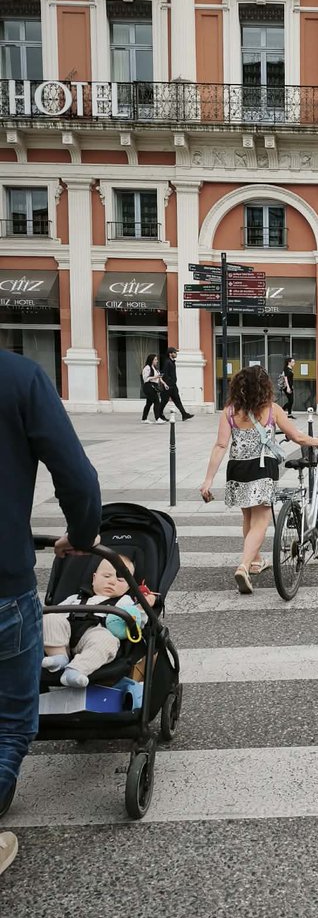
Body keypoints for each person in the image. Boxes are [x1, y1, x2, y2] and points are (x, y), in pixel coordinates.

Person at [0, 349, 102, 878]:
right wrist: (82, 537)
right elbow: (76, 477)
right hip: (3, 582)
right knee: (12, 724)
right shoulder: (19, 377)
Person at [200, 365, 318, 593]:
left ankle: (256, 560)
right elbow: (296, 437)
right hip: (262, 468)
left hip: (236, 469)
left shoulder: (229, 411)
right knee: (261, 520)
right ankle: (244, 566)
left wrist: (208, 480)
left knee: (248, 516)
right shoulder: (272, 409)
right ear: (264, 386)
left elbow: (220, 445)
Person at [41, 556, 148, 688]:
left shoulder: (124, 601)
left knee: (107, 641)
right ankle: (59, 656)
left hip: (95, 633)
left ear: (128, 586)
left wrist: (143, 605)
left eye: (120, 579)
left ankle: (76, 670)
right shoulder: (76, 598)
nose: (112, 582)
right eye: (107, 576)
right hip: (65, 635)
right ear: (94, 578)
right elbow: (56, 613)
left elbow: (138, 620)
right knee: (50, 617)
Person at [160, 347, 193, 421]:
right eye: (174, 352)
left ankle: (184, 414)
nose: (176, 354)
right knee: (164, 401)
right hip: (168, 386)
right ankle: (159, 415)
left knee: (177, 400)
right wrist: (169, 383)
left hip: (173, 386)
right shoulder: (167, 362)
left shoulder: (172, 362)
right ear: (170, 354)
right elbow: (165, 374)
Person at [140, 353, 166, 424]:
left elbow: (159, 378)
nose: (157, 361)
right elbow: (145, 379)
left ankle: (144, 419)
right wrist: (155, 377)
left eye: (156, 359)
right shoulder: (147, 368)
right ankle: (157, 418)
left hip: (153, 386)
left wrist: (164, 384)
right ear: (151, 360)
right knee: (157, 402)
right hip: (149, 386)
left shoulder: (155, 368)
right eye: (155, 359)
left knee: (148, 403)